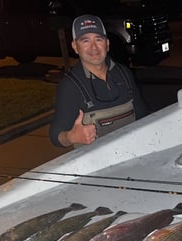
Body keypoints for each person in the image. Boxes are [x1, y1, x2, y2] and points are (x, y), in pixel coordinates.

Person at [49, 14, 149, 148]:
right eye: (85, 41)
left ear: (107, 44)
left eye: (98, 39)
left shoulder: (124, 73)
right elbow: (56, 135)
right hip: (96, 164)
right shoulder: (69, 85)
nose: (94, 47)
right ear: (75, 46)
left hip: (131, 154)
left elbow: (143, 115)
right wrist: (71, 137)